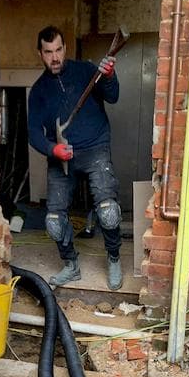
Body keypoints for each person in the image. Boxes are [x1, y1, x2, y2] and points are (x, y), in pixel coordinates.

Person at [28, 25, 123, 290]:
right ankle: (71, 265)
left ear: (65, 48)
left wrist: (109, 76)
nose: (54, 57)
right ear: (40, 53)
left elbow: (113, 96)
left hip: (95, 149)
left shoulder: (86, 71)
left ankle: (114, 257)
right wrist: (51, 149)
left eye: (58, 49)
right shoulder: (38, 92)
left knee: (108, 212)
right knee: (54, 222)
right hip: (62, 157)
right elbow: (34, 132)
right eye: (48, 52)